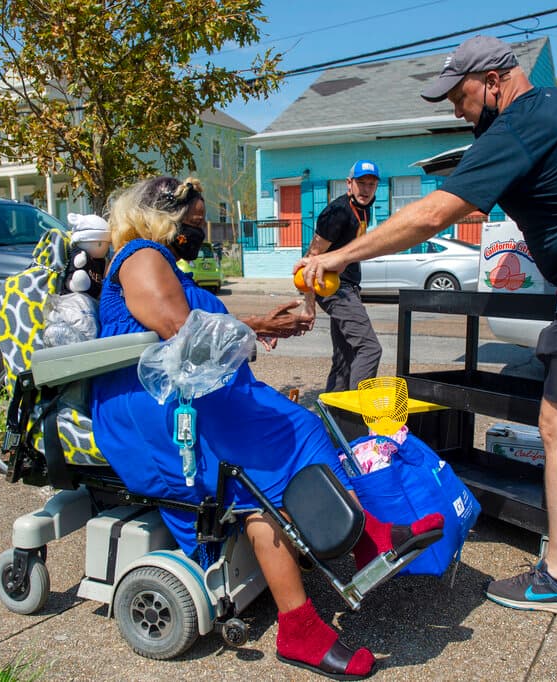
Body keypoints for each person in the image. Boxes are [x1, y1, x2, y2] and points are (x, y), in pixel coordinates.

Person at [295, 35, 557, 617]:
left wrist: (339, 257)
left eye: (460, 96)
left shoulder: (515, 127)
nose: (455, 110)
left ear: (495, 81)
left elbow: (434, 212)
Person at [91, 176, 443, 679]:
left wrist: (256, 322)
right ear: (161, 217)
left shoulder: (168, 263)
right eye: (194, 220)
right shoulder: (141, 256)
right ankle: (305, 617)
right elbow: (180, 330)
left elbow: (195, 321)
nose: (201, 229)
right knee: (263, 466)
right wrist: (258, 328)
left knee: (301, 426)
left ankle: (367, 541)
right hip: (152, 410)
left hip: (193, 397)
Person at [304, 160, 383, 392]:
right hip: (334, 287)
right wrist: (308, 305)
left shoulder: (363, 208)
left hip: (348, 287)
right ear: (349, 184)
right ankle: (357, 415)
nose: (366, 189)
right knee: (369, 348)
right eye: (361, 183)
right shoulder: (338, 212)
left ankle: (333, 423)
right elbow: (312, 255)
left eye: (371, 184)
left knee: (345, 360)